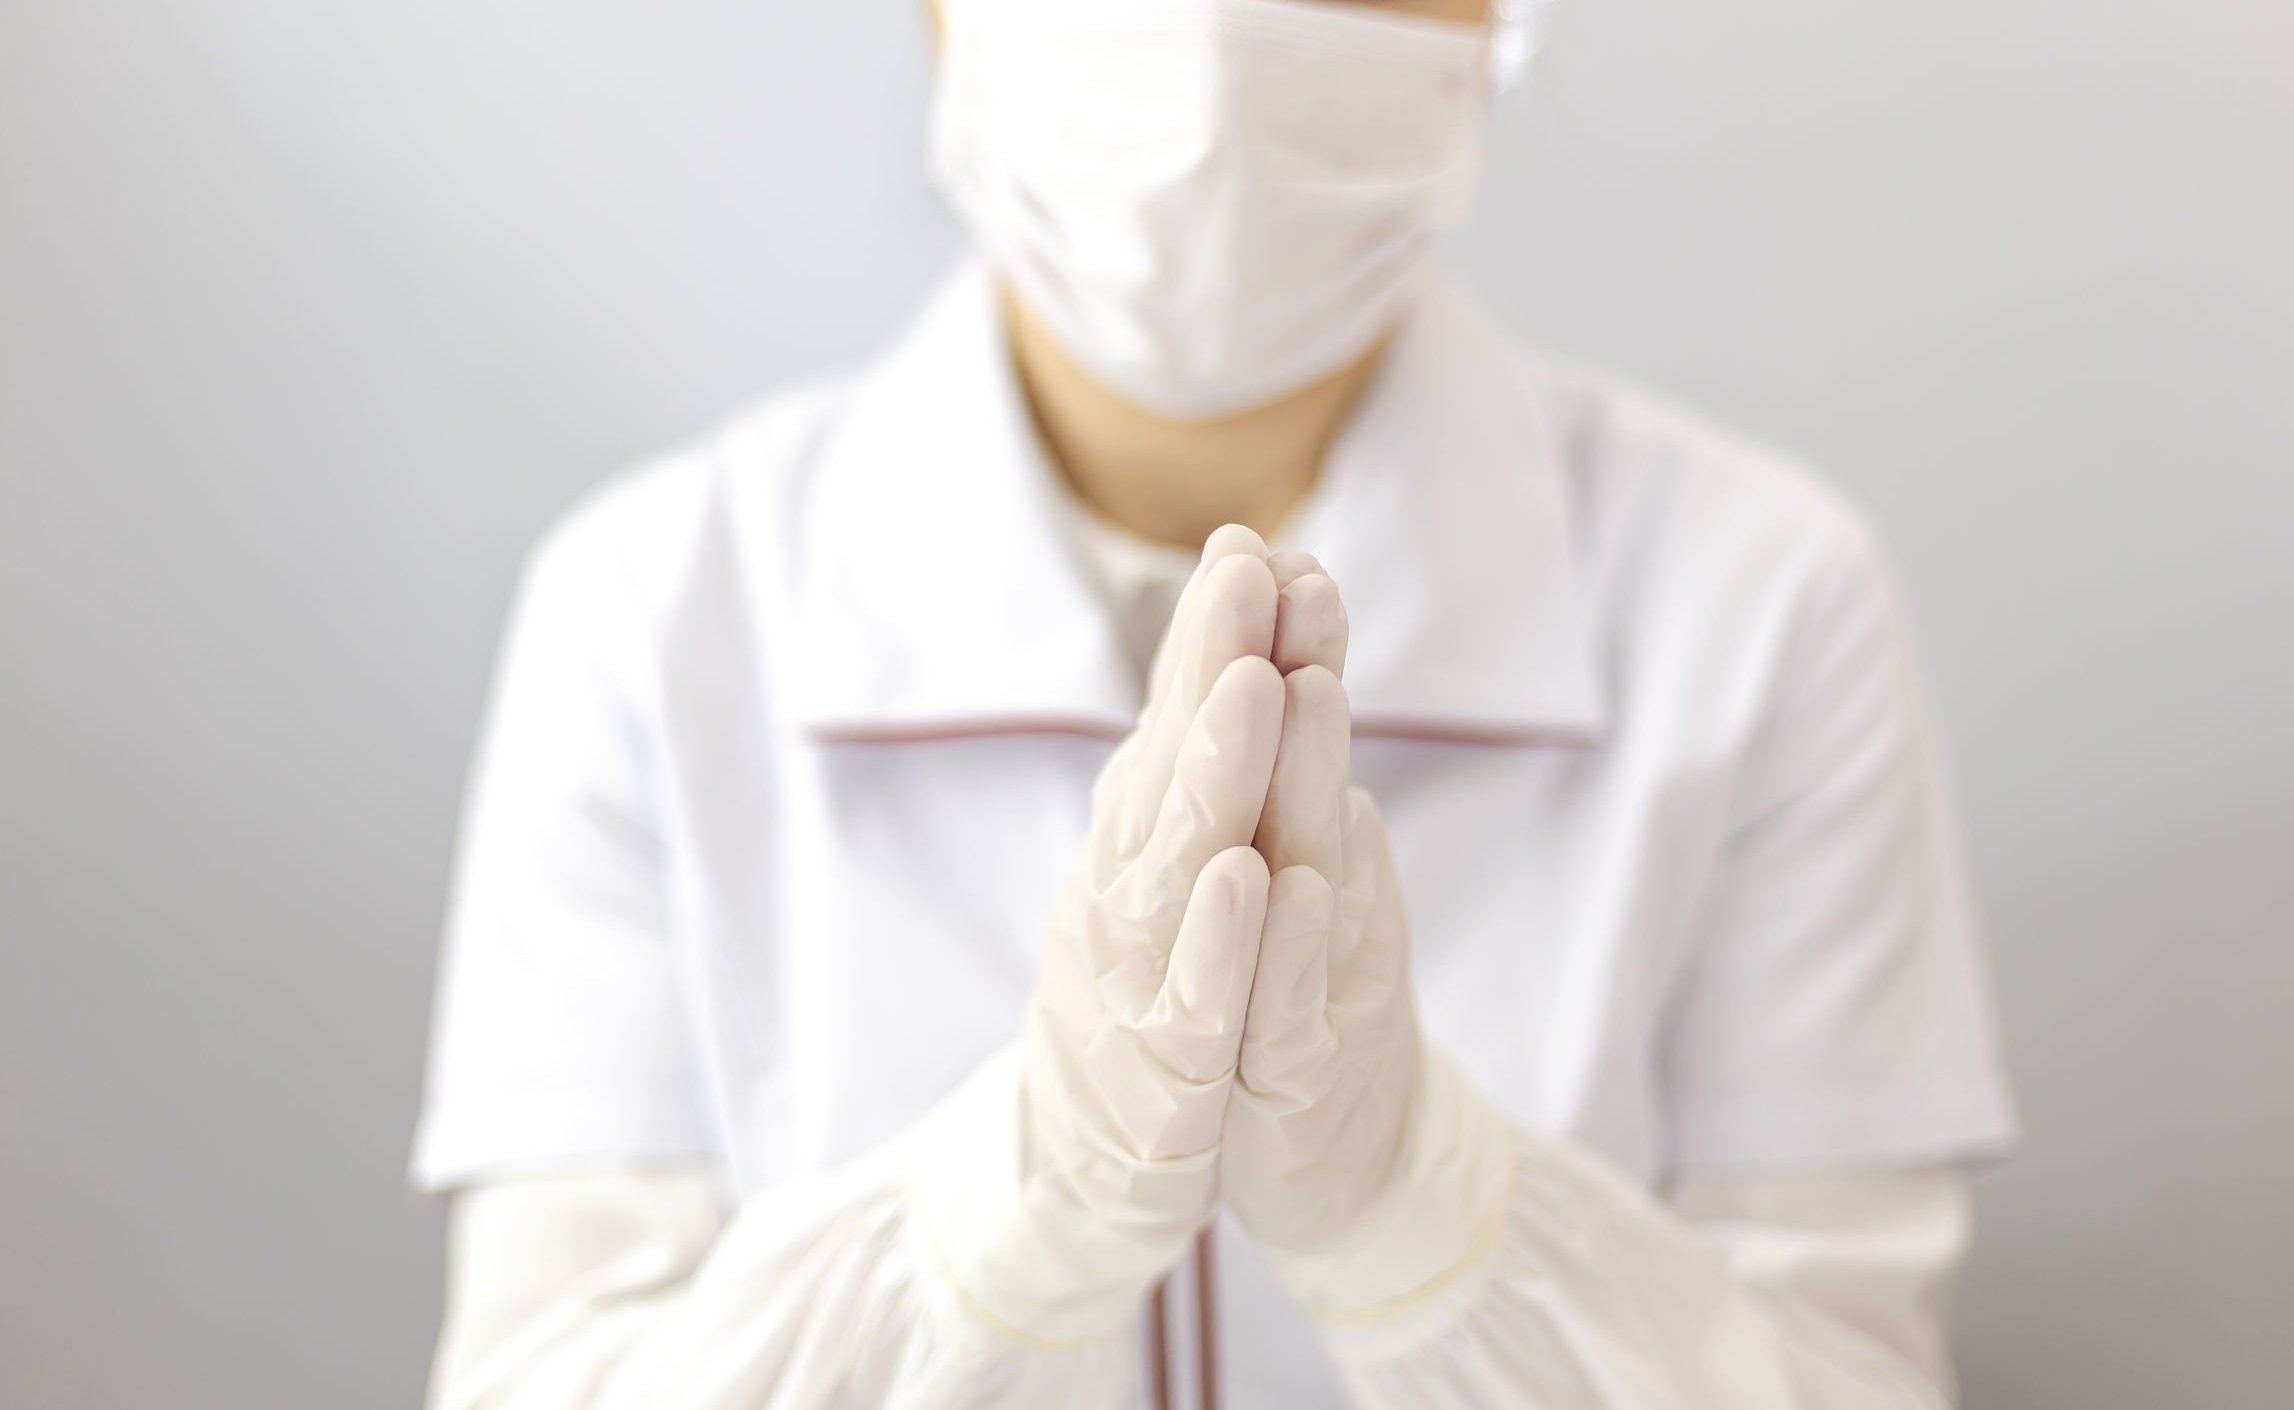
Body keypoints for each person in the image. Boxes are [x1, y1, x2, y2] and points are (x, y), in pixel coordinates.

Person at [412, 0, 2017, 1405]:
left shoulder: (1761, 606)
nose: (1213, 40)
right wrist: (1007, 1222)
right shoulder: (654, 614)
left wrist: (1429, 1214)